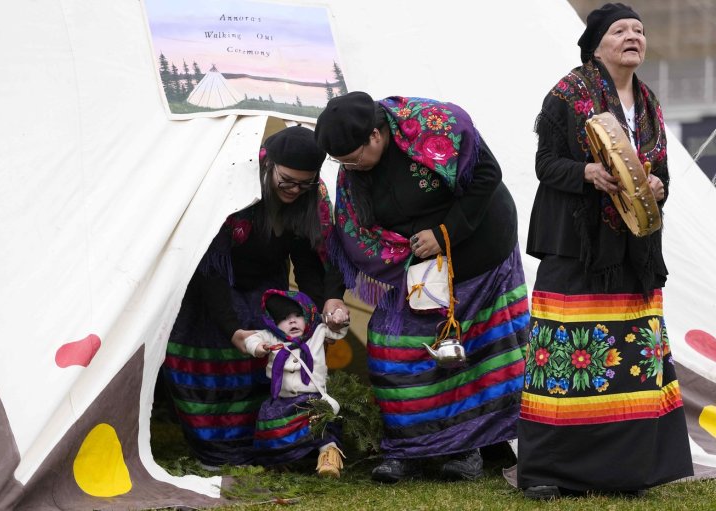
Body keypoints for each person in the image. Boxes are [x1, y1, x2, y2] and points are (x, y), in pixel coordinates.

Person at [517, 3, 693, 499]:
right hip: (578, 246)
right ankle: (549, 471)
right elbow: (545, 164)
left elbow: (657, 169)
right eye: (620, 30)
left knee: (630, 359)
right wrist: (587, 173)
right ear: (596, 44)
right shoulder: (567, 96)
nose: (633, 37)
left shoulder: (650, 103)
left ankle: (625, 470)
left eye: (639, 30)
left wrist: (659, 184)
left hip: (632, 247)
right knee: (562, 358)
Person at [315, 92, 530, 483]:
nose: (348, 168)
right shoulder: (353, 173)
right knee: (391, 348)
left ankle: (468, 449)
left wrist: (445, 232)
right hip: (415, 271)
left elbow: (487, 176)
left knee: (474, 351)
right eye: (340, 162)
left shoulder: (434, 126)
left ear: (376, 136)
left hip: (480, 251)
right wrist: (334, 295)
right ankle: (408, 448)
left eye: (352, 157)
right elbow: (347, 236)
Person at [162, 125, 349, 467]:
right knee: (212, 364)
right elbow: (211, 267)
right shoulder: (232, 189)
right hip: (211, 288)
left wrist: (315, 316)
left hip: (265, 288)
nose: (295, 190)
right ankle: (216, 452)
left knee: (268, 361)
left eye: (305, 183)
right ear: (269, 165)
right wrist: (233, 329)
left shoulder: (311, 198)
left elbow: (307, 261)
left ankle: (263, 444)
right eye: (288, 180)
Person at [235, 289, 347, 478]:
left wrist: (337, 317)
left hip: (314, 398)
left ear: (308, 317)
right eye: (285, 318)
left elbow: (337, 330)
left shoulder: (317, 332)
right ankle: (278, 461)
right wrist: (258, 347)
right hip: (283, 400)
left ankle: (329, 458)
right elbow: (252, 338)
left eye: (298, 316)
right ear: (275, 323)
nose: (293, 321)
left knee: (323, 429)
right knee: (273, 428)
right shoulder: (271, 336)